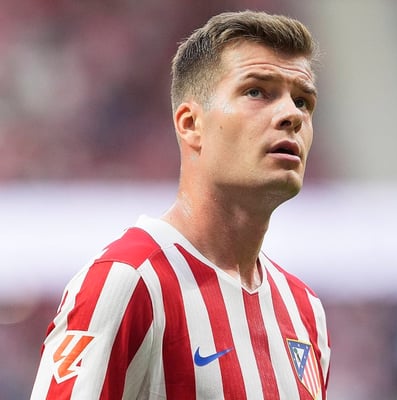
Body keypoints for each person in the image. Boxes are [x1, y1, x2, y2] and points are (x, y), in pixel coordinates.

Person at [31, 10, 330, 399]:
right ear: (190, 124)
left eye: (303, 101)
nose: (292, 115)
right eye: (257, 92)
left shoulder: (305, 311)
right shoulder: (128, 281)